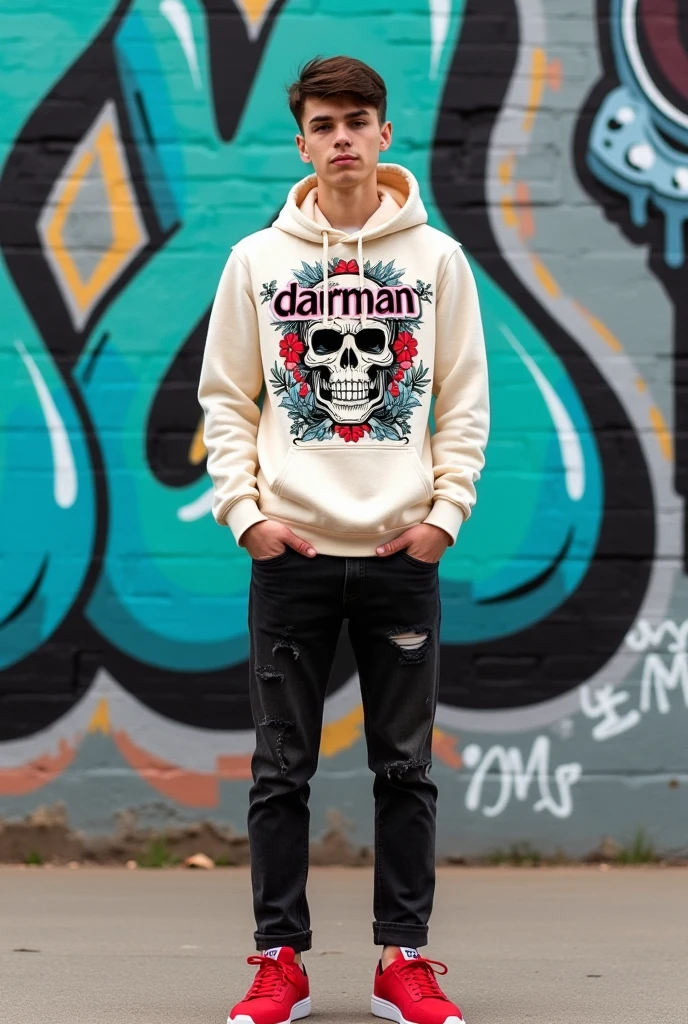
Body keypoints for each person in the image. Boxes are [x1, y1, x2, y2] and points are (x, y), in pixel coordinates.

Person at [198, 54, 489, 1024]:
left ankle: (401, 960)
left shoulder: (436, 261)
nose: (341, 139)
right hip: (293, 559)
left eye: (356, 120)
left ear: (383, 134)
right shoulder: (258, 261)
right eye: (324, 124)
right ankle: (278, 958)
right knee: (282, 770)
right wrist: (249, 519)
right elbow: (227, 403)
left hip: (399, 556)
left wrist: (442, 517)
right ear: (302, 142)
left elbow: (464, 401)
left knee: (403, 768)